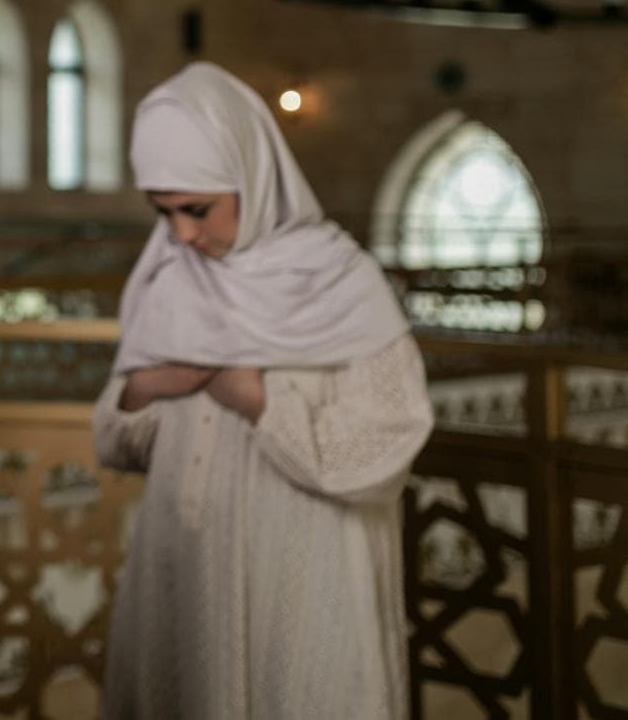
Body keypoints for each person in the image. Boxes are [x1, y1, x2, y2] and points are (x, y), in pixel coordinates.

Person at [93, 61, 434, 719]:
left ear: (252, 172)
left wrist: (258, 400)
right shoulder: (168, 276)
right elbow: (122, 443)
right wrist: (148, 385)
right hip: (185, 574)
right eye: (163, 212)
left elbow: (389, 441)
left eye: (197, 209)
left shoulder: (341, 282)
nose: (183, 234)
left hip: (306, 578)